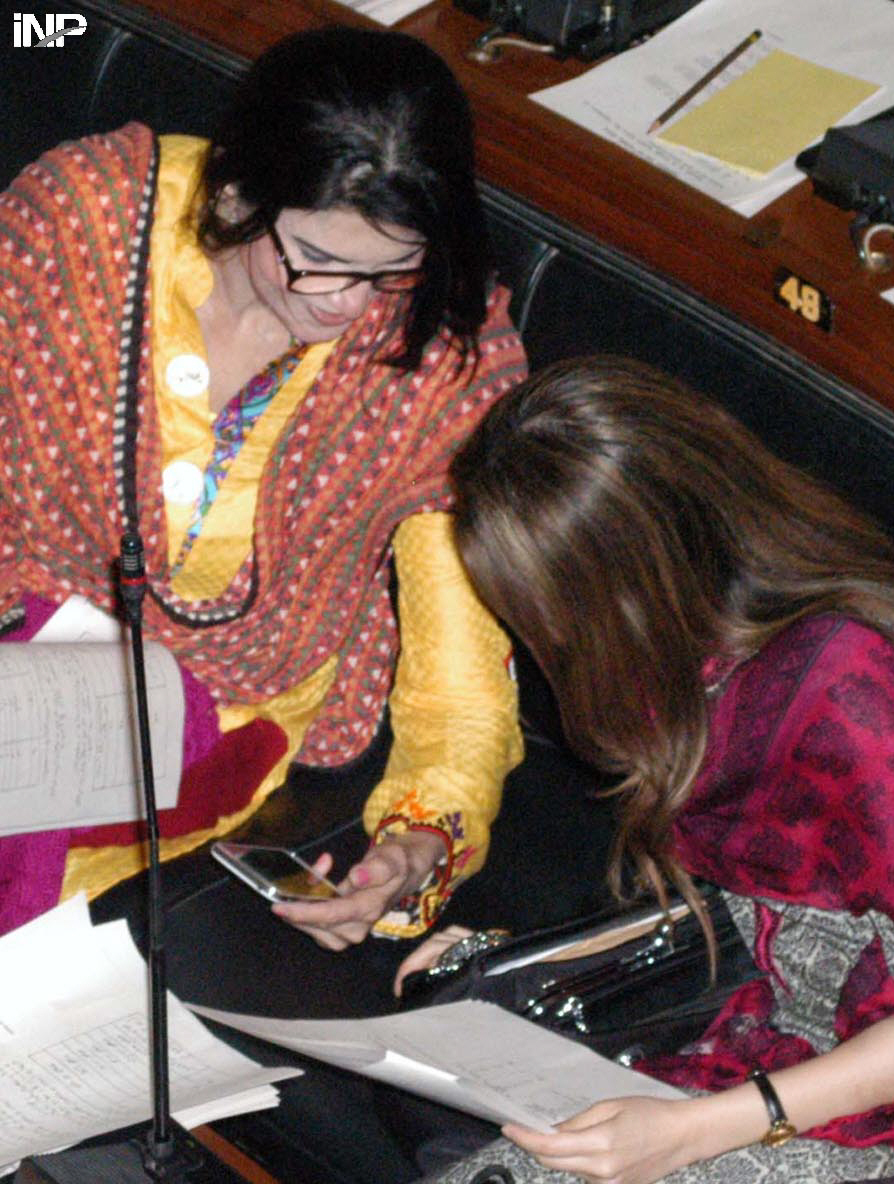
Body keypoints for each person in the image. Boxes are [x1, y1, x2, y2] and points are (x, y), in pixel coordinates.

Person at [350, 356, 894, 1184]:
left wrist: (690, 1136)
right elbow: (763, 916)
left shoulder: (854, 688)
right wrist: (534, 962)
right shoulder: (696, 671)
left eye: (541, 615)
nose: (539, 642)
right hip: (787, 1052)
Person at [0, 27, 528, 947]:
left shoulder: (437, 350)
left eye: (390, 269)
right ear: (236, 193)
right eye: (318, 259)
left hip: (204, 720)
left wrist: (414, 845)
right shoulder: (81, 225)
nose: (349, 307)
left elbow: (461, 680)